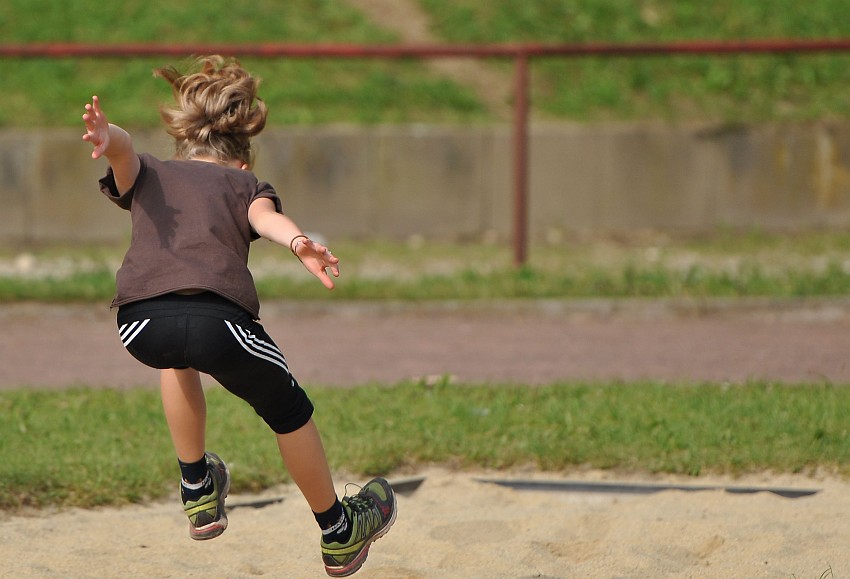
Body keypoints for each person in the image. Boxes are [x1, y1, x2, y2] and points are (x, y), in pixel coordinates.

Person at [81, 55, 396, 577]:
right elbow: (266, 220)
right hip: (217, 322)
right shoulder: (244, 186)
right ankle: (340, 532)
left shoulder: (154, 170)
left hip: (138, 322)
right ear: (243, 161)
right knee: (288, 407)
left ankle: (197, 487)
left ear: (183, 147)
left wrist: (105, 135)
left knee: (175, 358)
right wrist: (300, 242)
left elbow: (125, 151)